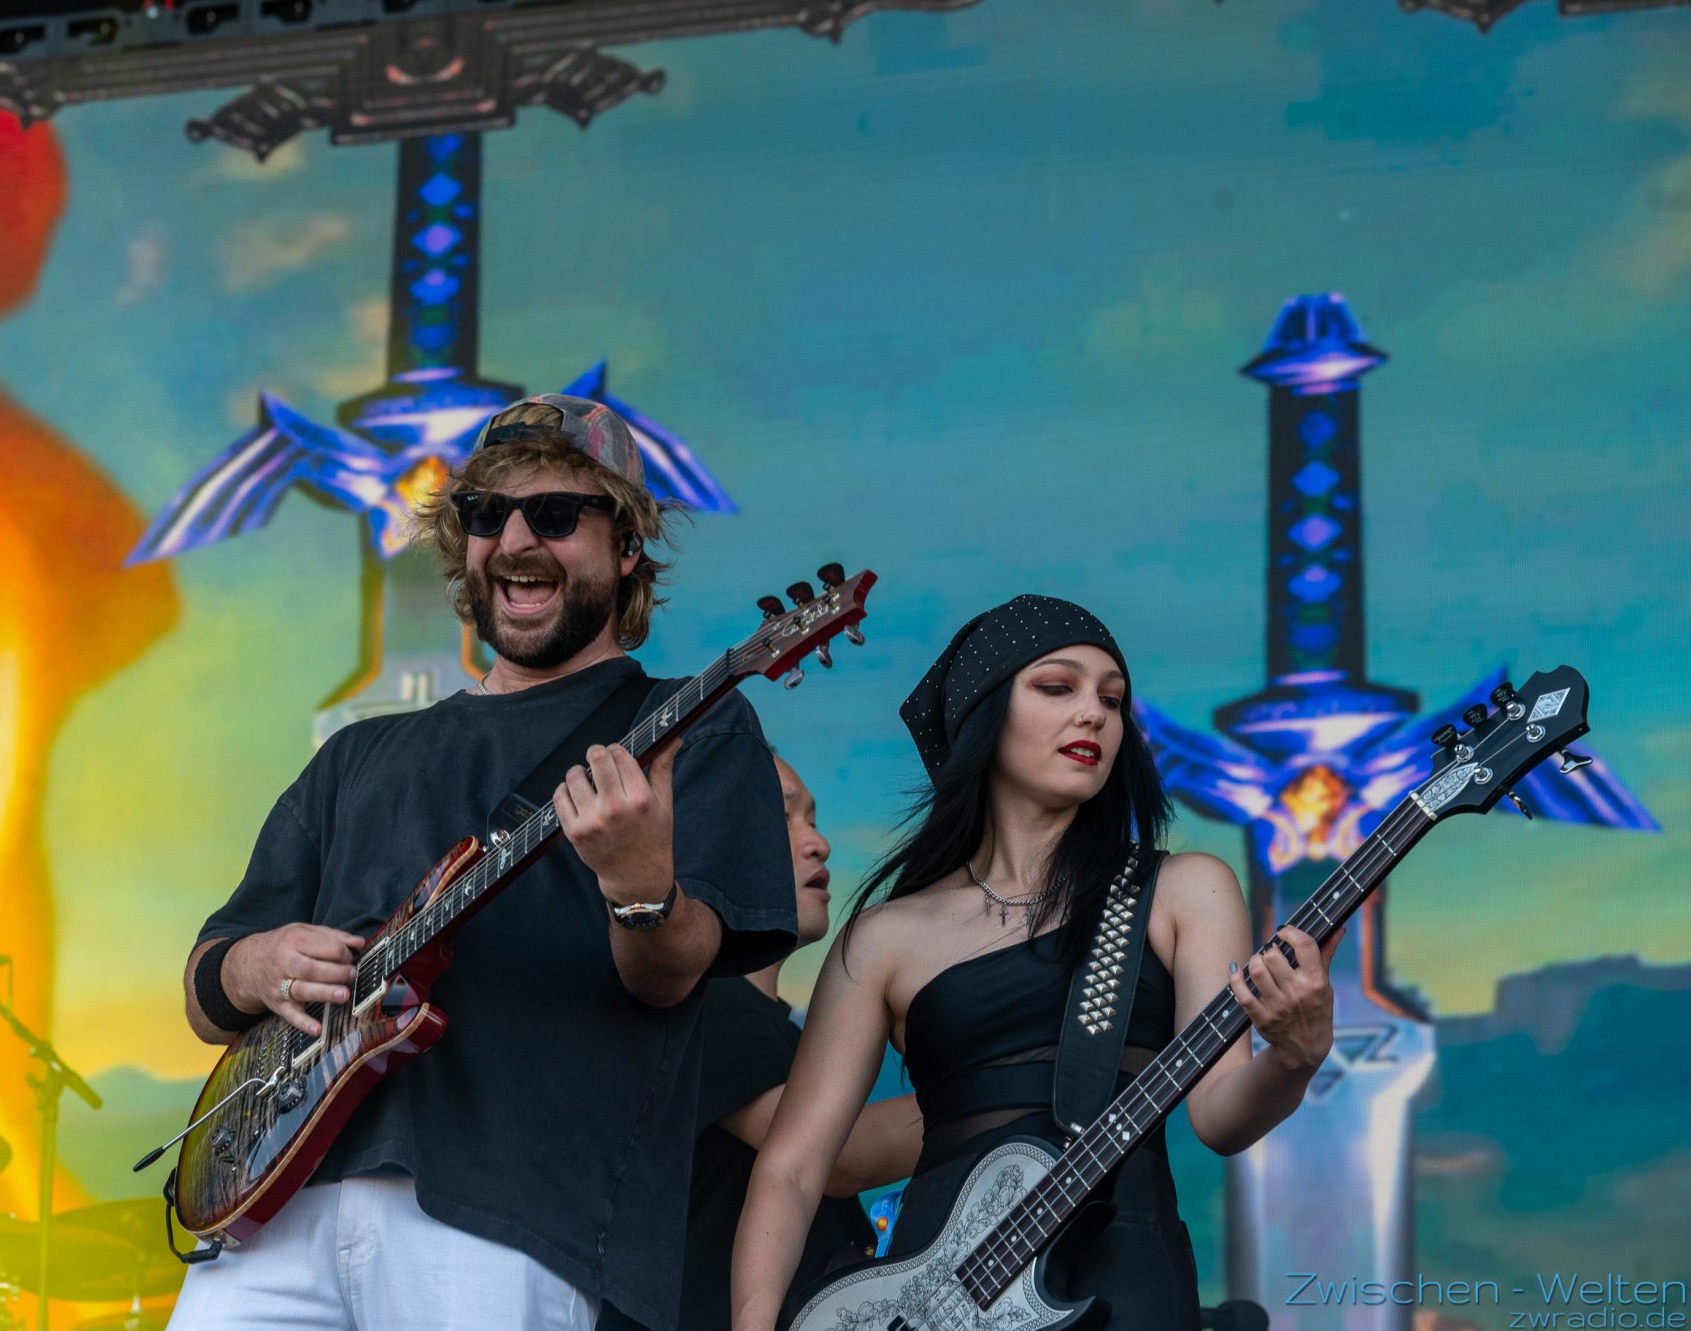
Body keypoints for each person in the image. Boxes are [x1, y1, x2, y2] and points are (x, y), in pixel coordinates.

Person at [172, 394, 797, 1331]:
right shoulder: (357, 753)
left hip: (505, 1215)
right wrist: (255, 965)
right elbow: (205, 993)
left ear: (628, 546)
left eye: (556, 513)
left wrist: (637, 887)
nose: (515, 540)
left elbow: (671, 977)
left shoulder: (689, 728)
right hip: (276, 1204)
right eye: (485, 513)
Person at [732, 595, 1342, 1331]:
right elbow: (793, 1168)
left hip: (1126, 1277)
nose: (1093, 714)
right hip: (935, 1303)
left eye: (1112, 700)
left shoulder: (1184, 889)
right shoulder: (886, 936)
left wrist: (1294, 1058)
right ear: (984, 714)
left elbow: (1219, 1116)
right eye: (1057, 686)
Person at [598, 756, 922, 1331]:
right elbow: (840, 1156)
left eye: (813, 820)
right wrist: (1009, 1095)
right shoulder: (705, 1008)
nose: (819, 843)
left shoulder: (775, 1025)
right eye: (782, 819)